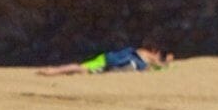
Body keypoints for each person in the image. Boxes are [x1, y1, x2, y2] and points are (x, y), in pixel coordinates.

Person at [38, 44, 173, 76]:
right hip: (110, 62)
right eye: (161, 54)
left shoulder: (140, 55)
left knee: (83, 69)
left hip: (109, 60)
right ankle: (53, 71)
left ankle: (54, 70)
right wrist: (166, 61)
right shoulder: (147, 55)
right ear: (155, 51)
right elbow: (158, 66)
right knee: (82, 69)